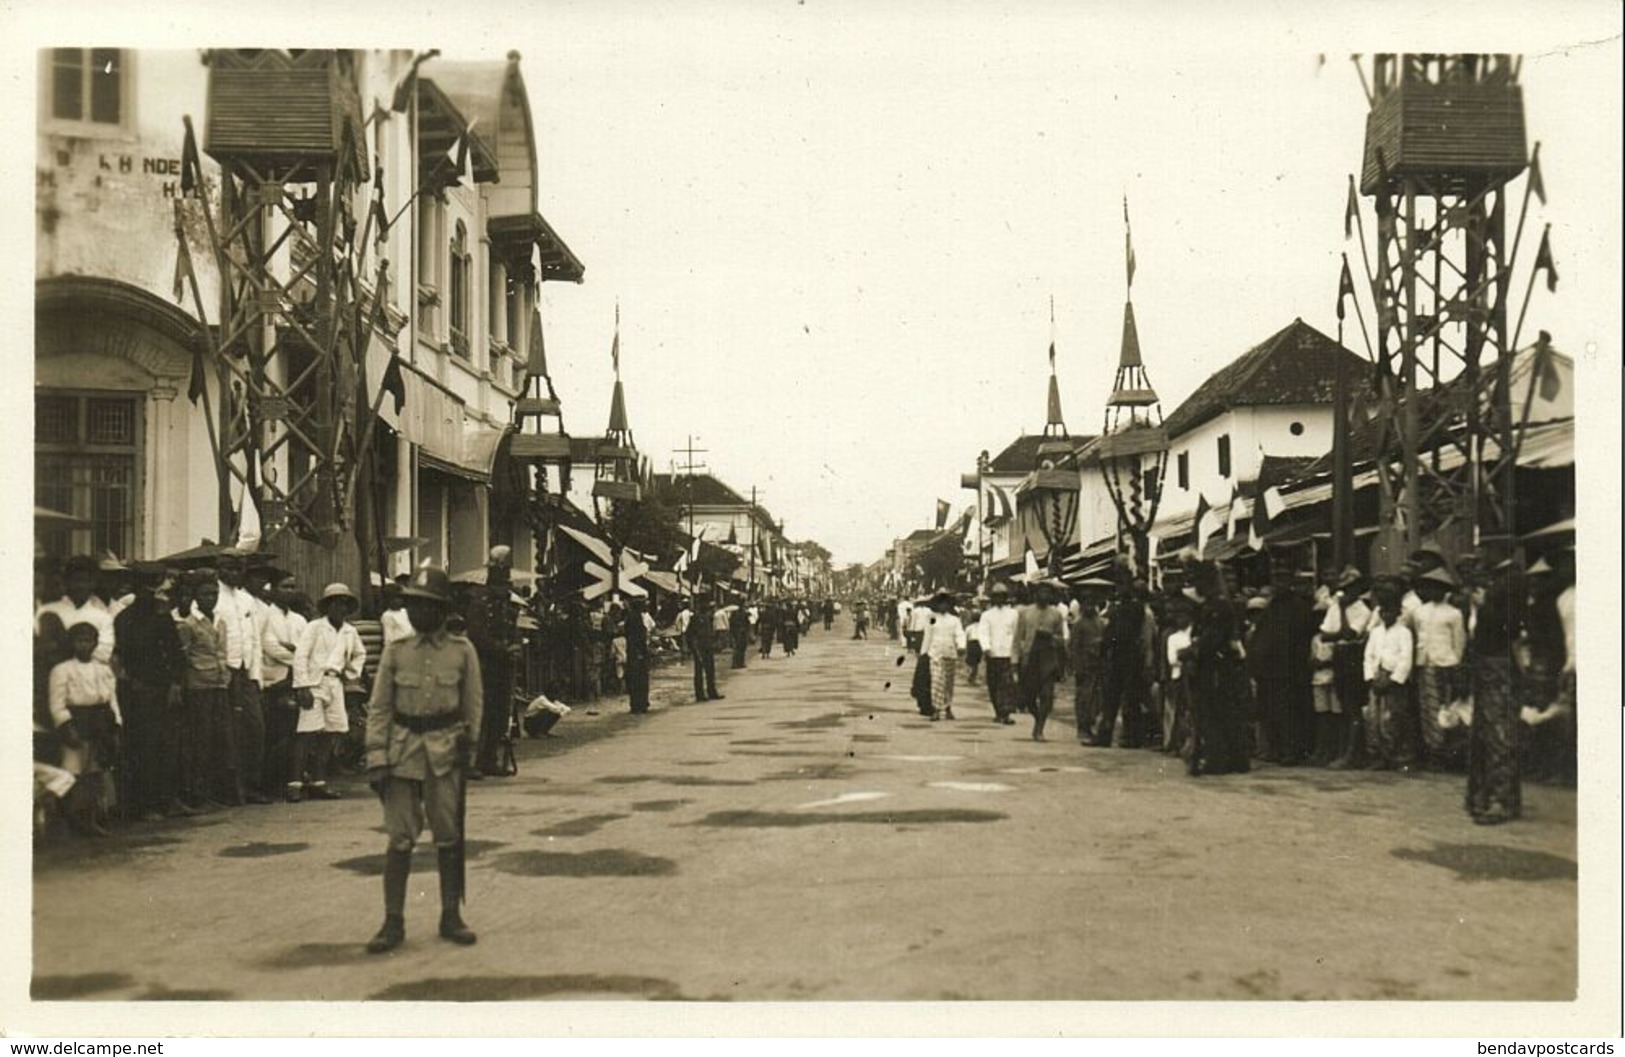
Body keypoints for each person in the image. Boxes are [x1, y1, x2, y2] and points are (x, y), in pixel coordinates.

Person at [364, 565, 482, 953]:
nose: (418, 612)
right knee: (400, 838)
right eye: (413, 604)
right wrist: (376, 756)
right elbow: (380, 707)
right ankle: (392, 921)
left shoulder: (462, 651)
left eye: (426, 605)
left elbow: (472, 705)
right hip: (401, 752)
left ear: (442, 610)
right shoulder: (397, 652)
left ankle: (451, 915)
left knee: (448, 835)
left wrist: (471, 745)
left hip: (445, 752)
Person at [112, 562, 186, 822]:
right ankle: (144, 805)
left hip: (163, 689)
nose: (150, 593)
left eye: (153, 586)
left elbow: (175, 651)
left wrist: (175, 684)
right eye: (145, 586)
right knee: (143, 747)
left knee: (167, 746)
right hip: (137, 690)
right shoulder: (125, 619)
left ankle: (166, 800)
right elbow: (124, 654)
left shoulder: (162, 615)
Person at [289, 584, 366, 801]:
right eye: (335, 603)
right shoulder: (314, 627)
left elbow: (359, 654)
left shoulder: (350, 631)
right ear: (327, 606)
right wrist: (302, 686)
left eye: (344, 603)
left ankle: (318, 781)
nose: (340, 607)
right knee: (306, 732)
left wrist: (351, 674)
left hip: (335, 683)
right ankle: (294, 783)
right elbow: (301, 656)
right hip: (315, 683)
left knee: (332, 732)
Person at [1465, 555, 1525, 825]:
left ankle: (1502, 799)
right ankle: (1488, 795)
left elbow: (1508, 626)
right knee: (1487, 734)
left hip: (1499, 664)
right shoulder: (1498, 580)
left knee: (1499, 733)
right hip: (1488, 662)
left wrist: (1483, 605)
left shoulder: (1511, 581)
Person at [49, 622, 123, 836]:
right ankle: (72, 819)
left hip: (100, 721)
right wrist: (67, 726)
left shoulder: (103, 669)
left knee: (97, 770)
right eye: (80, 640)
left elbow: (112, 699)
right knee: (74, 769)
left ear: (95, 643)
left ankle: (95, 817)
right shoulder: (62, 670)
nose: (85, 645)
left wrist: (116, 724)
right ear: (72, 643)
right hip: (77, 721)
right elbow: (57, 703)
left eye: (89, 640)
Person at [177, 574, 237, 809]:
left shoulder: (219, 621)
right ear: (195, 597)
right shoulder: (189, 624)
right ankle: (196, 795)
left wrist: (226, 678)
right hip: (198, 687)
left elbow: (223, 652)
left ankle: (213, 793)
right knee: (198, 741)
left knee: (218, 740)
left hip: (219, 685)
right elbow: (183, 657)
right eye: (205, 594)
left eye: (214, 593)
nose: (210, 598)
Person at [1186, 562, 1251, 776]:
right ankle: (1234, 758)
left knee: (1213, 713)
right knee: (1223, 713)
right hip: (1217, 665)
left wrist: (1192, 649)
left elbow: (1211, 639)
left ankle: (1219, 758)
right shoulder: (1213, 604)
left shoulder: (1218, 606)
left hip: (1216, 666)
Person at [1249, 566, 1317, 766]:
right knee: (1273, 712)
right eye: (1276, 581)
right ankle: (1277, 748)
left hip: (1291, 671)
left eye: (1284, 580)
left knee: (1291, 713)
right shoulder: (1271, 608)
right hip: (1271, 670)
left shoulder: (1299, 607)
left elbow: (1302, 638)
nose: (1280, 585)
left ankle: (1292, 751)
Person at [464, 547, 520, 779]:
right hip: (484, 664)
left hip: (503, 665)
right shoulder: (480, 601)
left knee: (500, 713)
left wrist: (515, 646)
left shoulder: (507, 601)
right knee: (481, 712)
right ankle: (472, 761)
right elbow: (477, 634)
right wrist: (501, 648)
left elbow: (514, 628)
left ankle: (489, 758)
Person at [1413, 566, 1467, 771]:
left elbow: (1459, 642)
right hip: (1424, 664)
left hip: (1445, 664)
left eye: (1438, 588)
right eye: (1430, 587)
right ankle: (1432, 752)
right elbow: (1419, 637)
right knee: (1427, 709)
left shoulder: (1453, 614)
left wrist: (1455, 664)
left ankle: (1446, 754)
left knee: (1444, 710)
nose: (1433, 592)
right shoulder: (1420, 612)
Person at [260, 576, 306, 802]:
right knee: (276, 733)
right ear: (274, 590)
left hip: (297, 680)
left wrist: (295, 651)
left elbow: (308, 647)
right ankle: (270, 782)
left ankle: (292, 779)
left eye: (292, 586)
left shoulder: (299, 620)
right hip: (275, 680)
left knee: (296, 732)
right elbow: (270, 647)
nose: (289, 591)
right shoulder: (266, 615)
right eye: (284, 586)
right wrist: (297, 654)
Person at [1323, 566, 1372, 771]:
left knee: (1353, 707)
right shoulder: (1335, 607)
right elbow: (1325, 634)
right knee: (1343, 705)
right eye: (1344, 587)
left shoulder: (1362, 610)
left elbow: (1349, 634)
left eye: (1352, 587)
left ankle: (1352, 755)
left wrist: (1342, 612)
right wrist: (1339, 631)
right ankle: (1346, 752)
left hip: (1353, 657)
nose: (1347, 592)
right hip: (1339, 656)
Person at [1013, 581, 1069, 741]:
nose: (1044, 595)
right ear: (1035, 594)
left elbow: (1061, 638)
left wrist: (1051, 637)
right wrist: (1014, 661)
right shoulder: (1025, 613)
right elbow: (1018, 638)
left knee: (1047, 695)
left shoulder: (1056, 614)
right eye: (1041, 592)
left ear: (1051, 595)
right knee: (1028, 697)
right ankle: (1037, 717)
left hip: (1048, 659)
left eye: (1047, 592)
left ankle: (1040, 728)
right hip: (1029, 659)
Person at [37, 555, 116, 664]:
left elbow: (103, 653)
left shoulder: (103, 617)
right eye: (76, 580)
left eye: (86, 581)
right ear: (67, 582)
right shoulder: (48, 610)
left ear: (94, 583)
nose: (81, 586)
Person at [920, 590, 967, 721]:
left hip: (950, 653)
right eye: (940, 603)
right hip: (935, 653)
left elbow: (960, 633)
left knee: (948, 683)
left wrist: (961, 645)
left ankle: (948, 707)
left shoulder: (954, 620)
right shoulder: (932, 618)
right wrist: (923, 652)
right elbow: (927, 636)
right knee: (936, 681)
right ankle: (936, 709)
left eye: (945, 603)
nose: (943, 606)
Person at [1070, 584, 1107, 744]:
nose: (1090, 606)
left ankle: (1090, 724)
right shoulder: (1079, 624)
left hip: (1098, 666)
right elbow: (1073, 647)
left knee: (1097, 698)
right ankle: (1083, 727)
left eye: (1092, 603)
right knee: (1084, 698)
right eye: (1087, 603)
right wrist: (1076, 666)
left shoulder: (1100, 622)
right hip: (1084, 666)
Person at [977, 583, 1018, 724]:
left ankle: (1005, 713)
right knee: (993, 684)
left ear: (1006, 598)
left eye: (1002, 597)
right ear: (993, 598)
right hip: (993, 654)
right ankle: (998, 711)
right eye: (997, 597)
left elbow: (1016, 633)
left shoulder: (1013, 614)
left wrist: (1016, 651)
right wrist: (986, 647)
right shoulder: (987, 615)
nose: (1000, 599)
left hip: (1008, 654)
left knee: (1007, 684)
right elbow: (983, 633)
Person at [687, 598, 723, 702]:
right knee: (699, 671)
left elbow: (710, 632)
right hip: (699, 647)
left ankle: (712, 692)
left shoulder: (707, 618)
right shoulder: (695, 618)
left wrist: (714, 641)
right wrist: (693, 648)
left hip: (708, 646)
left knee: (710, 670)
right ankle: (700, 694)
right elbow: (690, 634)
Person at [625, 597, 653, 714]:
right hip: (637, 653)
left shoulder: (633, 617)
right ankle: (639, 704)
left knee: (637, 679)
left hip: (636, 652)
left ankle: (639, 703)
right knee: (639, 679)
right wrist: (640, 653)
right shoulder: (635, 618)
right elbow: (636, 638)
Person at [729, 602, 751, 669]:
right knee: (740, 648)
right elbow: (747, 623)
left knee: (738, 648)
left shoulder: (735, 614)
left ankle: (737, 663)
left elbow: (731, 623)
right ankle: (739, 663)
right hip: (740, 633)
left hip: (738, 633)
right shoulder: (743, 614)